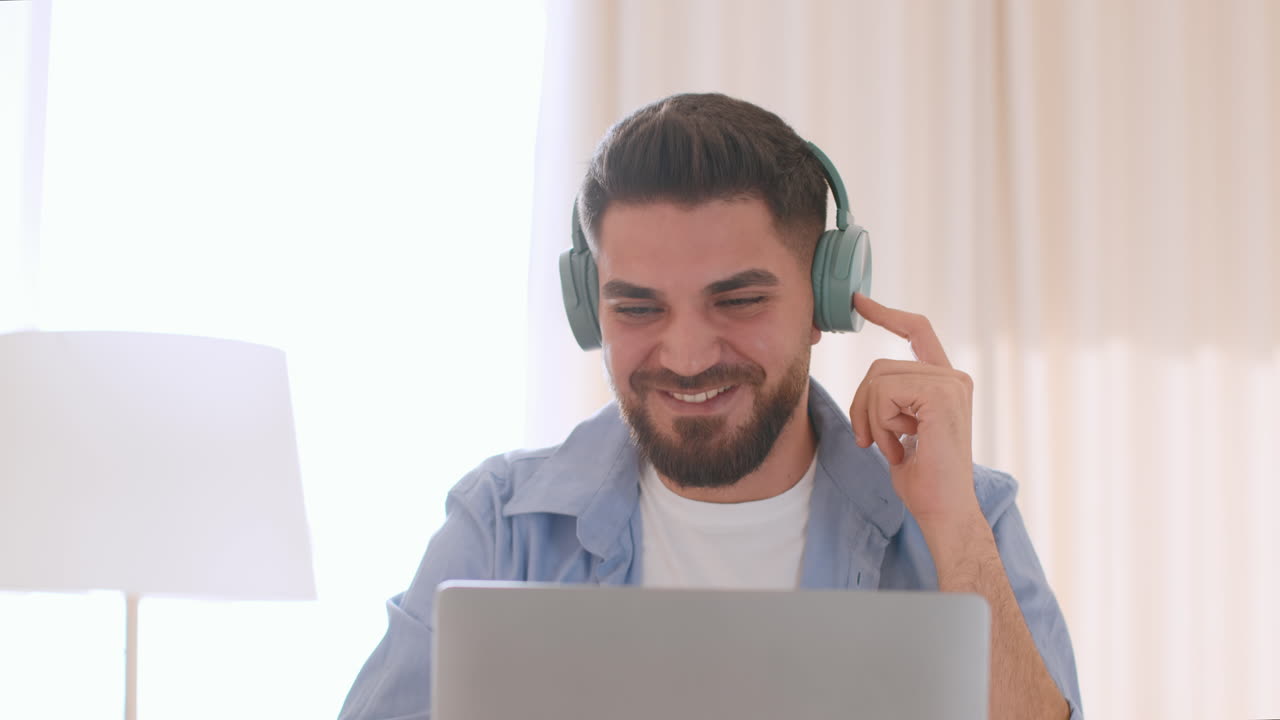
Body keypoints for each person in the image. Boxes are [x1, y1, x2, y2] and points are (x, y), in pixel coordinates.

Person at [337, 93, 1082, 720]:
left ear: (825, 302)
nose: (686, 356)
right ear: (589, 312)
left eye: (740, 300)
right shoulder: (501, 525)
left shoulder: (967, 516)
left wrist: (952, 524)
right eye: (637, 309)